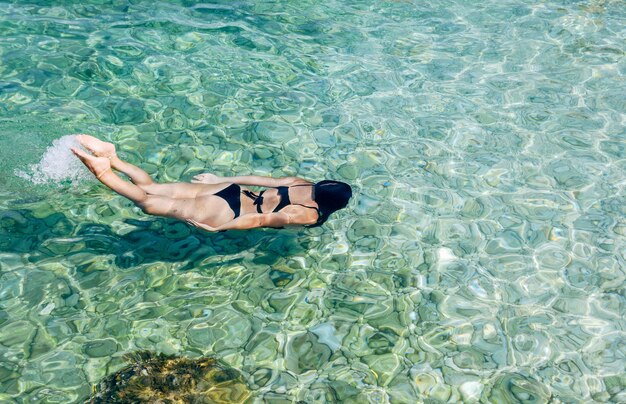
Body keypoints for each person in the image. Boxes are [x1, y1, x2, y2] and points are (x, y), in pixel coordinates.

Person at [71, 135, 352, 232]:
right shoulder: (309, 214)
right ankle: (104, 173)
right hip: (230, 212)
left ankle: (114, 159)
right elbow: (259, 221)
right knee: (148, 203)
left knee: (152, 187)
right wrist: (219, 228)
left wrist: (221, 179)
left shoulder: (304, 183)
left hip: (231, 190)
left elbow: (259, 179)